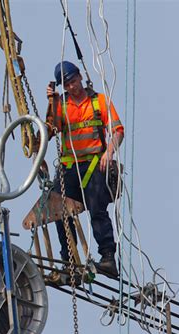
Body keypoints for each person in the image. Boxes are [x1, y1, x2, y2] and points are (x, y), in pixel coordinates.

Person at [45, 61, 124, 277]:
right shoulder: (60, 104)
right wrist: (51, 101)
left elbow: (117, 130)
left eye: (74, 81)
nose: (72, 86)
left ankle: (108, 258)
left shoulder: (99, 101)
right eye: (67, 84)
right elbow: (52, 129)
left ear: (80, 76)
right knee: (59, 210)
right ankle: (69, 260)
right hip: (69, 166)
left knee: (97, 207)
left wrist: (109, 152)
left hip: (94, 164)